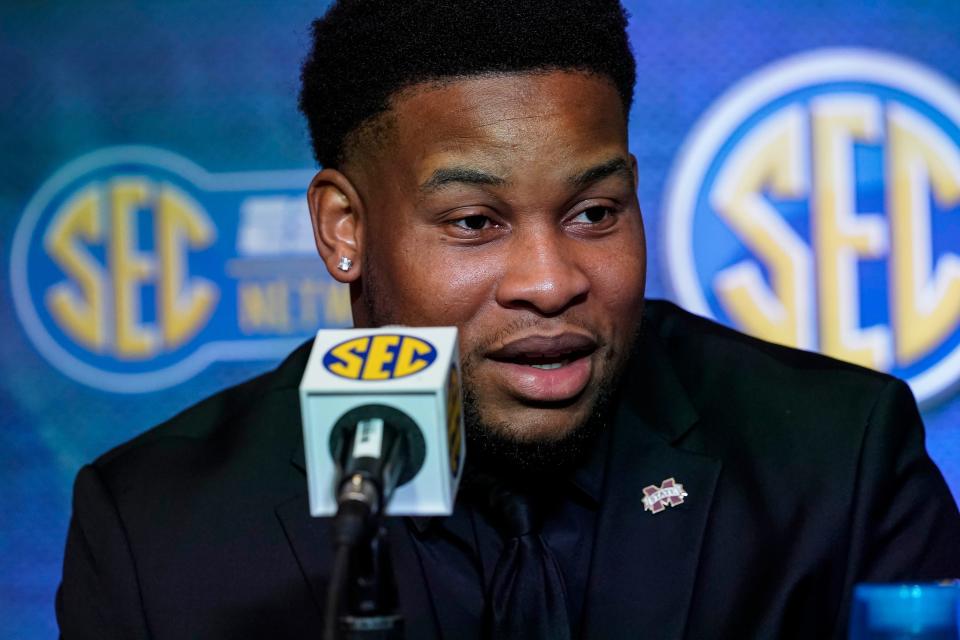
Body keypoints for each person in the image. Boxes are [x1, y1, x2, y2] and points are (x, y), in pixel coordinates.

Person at [57, 0, 960, 638]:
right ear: (345, 230)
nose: (550, 281)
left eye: (595, 213)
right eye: (474, 223)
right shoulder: (158, 530)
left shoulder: (839, 458)